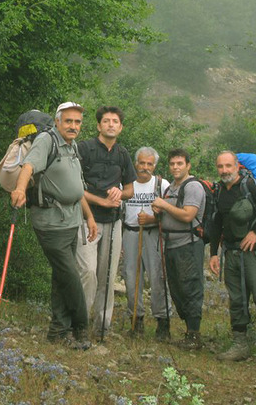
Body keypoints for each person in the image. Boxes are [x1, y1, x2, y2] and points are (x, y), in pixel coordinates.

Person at [11, 102, 98, 349]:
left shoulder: (72, 147)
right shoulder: (47, 141)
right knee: (70, 275)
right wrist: (19, 188)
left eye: (77, 122)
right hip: (50, 222)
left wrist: (89, 217)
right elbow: (28, 166)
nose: (73, 126)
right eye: (68, 121)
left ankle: (58, 330)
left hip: (72, 220)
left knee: (62, 276)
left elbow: (77, 187)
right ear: (58, 122)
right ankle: (81, 326)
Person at [208, 150, 256, 360]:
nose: (224, 171)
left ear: (237, 166)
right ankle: (240, 344)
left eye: (228, 166)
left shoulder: (249, 186)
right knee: (237, 299)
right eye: (220, 167)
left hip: (255, 252)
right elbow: (216, 223)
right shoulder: (218, 192)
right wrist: (213, 253)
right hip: (231, 252)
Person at [76, 106, 136, 336]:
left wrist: (119, 194)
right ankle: (80, 323)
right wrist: (101, 201)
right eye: (107, 121)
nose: (111, 124)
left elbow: (130, 189)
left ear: (121, 127)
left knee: (108, 275)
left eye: (115, 121)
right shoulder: (84, 149)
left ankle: (103, 326)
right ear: (99, 125)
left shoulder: (123, 154)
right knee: (88, 272)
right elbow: (76, 187)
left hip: (113, 222)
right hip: (86, 219)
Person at [151, 148, 207, 350]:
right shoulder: (171, 188)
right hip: (171, 244)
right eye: (172, 164)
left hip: (188, 245)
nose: (175, 167)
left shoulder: (192, 187)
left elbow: (187, 215)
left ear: (188, 165)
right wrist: (158, 210)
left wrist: (164, 206)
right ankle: (189, 332)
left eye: (179, 164)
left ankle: (194, 335)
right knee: (177, 289)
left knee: (190, 287)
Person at [122, 147, 172, 340]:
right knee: (131, 277)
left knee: (157, 276)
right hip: (131, 233)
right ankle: (136, 320)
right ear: (136, 163)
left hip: (153, 234)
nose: (145, 167)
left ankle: (162, 321)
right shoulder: (126, 184)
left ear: (155, 166)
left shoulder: (161, 184)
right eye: (142, 163)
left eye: (149, 164)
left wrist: (152, 219)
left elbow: (170, 211)